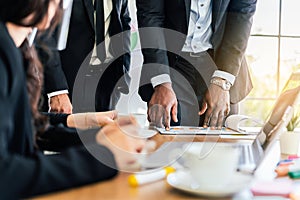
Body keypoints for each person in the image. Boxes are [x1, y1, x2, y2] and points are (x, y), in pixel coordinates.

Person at [0, 0, 144, 199]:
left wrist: (92, 129)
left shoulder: (16, 47)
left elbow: (25, 128)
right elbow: (6, 176)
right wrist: (102, 158)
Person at [136, 0, 257, 129]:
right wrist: (161, 81)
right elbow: (150, 16)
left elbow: (242, 15)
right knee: (168, 140)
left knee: (221, 141)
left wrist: (223, 80)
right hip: (171, 63)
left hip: (221, 63)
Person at [39, 0, 131, 114]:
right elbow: (44, 32)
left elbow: (124, 18)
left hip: (107, 83)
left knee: (102, 131)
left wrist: (123, 70)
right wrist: (56, 89)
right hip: (67, 82)